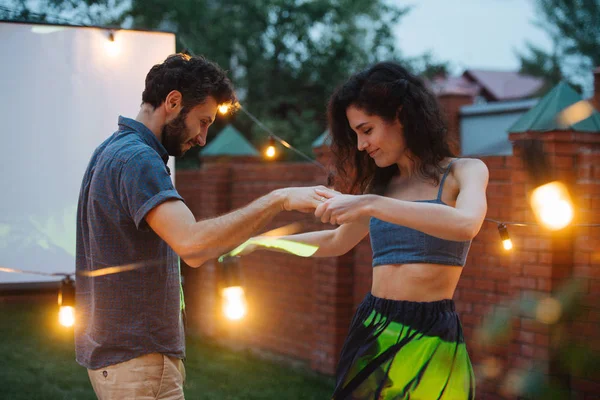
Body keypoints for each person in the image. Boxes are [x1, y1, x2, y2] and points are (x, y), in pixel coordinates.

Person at [75, 53, 334, 400]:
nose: (202, 138)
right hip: (137, 362)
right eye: (203, 121)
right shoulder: (139, 160)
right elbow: (193, 245)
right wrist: (279, 199)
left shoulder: (109, 150)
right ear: (173, 102)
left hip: (120, 358)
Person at [244, 61, 488, 399]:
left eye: (367, 130)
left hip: (432, 334)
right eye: (356, 134)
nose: (361, 145)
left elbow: (466, 225)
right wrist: (264, 243)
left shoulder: (465, 171)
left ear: (400, 115)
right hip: (375, 324)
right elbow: (335, 241)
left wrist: (370, 203)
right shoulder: (380, 186)